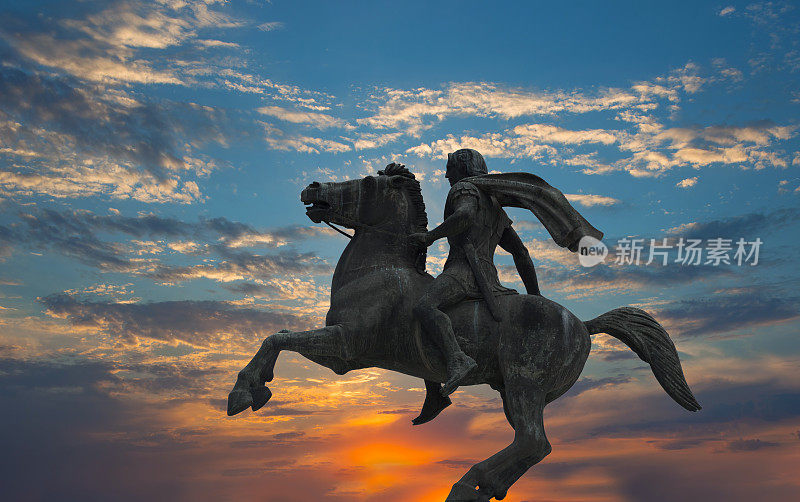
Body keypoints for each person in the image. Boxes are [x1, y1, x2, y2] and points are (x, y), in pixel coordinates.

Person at [409, 149, 541, 401]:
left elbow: (465, 215)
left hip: (463, 272)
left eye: (451, 168)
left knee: (424, 307)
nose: (447, 174)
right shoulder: (494, 208)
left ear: (464, 168)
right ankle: (434, 393)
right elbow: (521, 253)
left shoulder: (464, 189)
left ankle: (457, 360)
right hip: (490, 281)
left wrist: (429, 237)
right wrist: (536, 297)